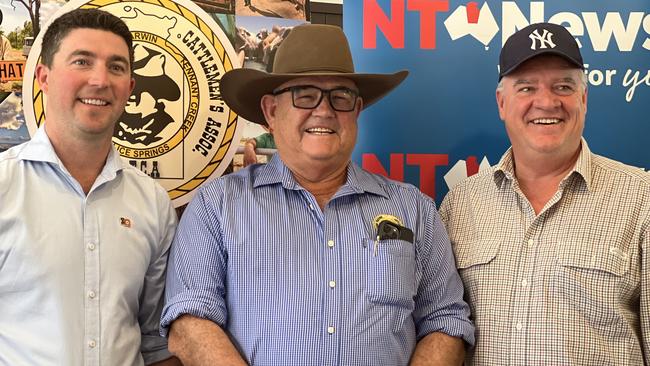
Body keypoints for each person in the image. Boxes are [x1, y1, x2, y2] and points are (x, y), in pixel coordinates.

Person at [161, 24, 474, 365]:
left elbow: (446, 321)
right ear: (271, 111)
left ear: (356, 111)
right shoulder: (217, 206)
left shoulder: (414, 209)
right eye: (304, 94)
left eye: (340, 96)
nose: (324, 110)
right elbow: (189, 321)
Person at [440, 22, 650, 365]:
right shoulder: (459, 203)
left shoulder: (642, 199)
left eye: (563, 86)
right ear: (501, 103)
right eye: (526, 88)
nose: (547, 101)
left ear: (583, 99)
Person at [0, 9, 180, 366]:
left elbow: (155, 341)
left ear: (129, 88)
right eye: (82, 61)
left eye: (116, 67)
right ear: (44, 77)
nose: (100, 80)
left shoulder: (153, 203)